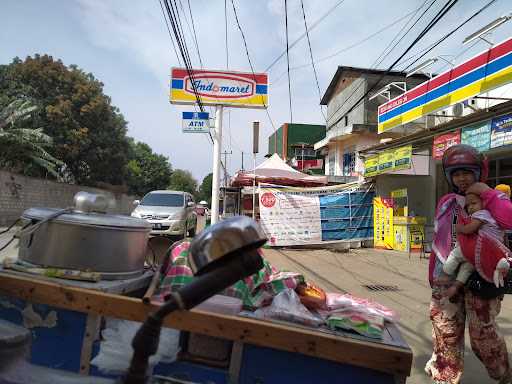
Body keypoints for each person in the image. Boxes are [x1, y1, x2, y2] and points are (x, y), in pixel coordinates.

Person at [425, 144, 512, 384]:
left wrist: (488, 193)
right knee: (445, 332)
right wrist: (433, 273)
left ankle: (503, 375)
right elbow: (439, 239)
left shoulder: (493, 199)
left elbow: (508, 219)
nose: (461, 178)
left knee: (482, 336)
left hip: (482, 276)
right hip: (447, 275)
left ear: (479, 173)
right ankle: (445, 377)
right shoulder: (446, 202)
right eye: (456, 173)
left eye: (467, 172)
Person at [438, 192, 510, 301]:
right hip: (486, 252)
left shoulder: (483, 213)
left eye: (474, 203)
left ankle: (445, 275)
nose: (470, 207)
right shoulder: (494, 217)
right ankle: (456, 286)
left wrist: (460, 228)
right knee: (467, 266)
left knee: (455, 255)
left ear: (484, 203)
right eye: (468, 205)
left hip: (481, 247)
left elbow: (470, 229)